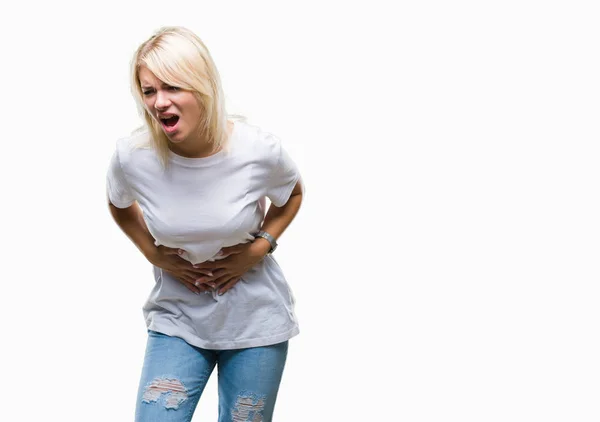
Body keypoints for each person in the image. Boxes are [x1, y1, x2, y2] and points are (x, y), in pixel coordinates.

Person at [106, 26, 304, 422]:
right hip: (177, 317)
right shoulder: (133, 156)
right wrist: (153, 253)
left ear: (203, 87)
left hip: (255, 321)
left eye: (173, 87)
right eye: (148, 91)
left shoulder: (257, 149)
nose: (159, 102)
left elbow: (292, 194)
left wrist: (258, 248)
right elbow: (119, 204)